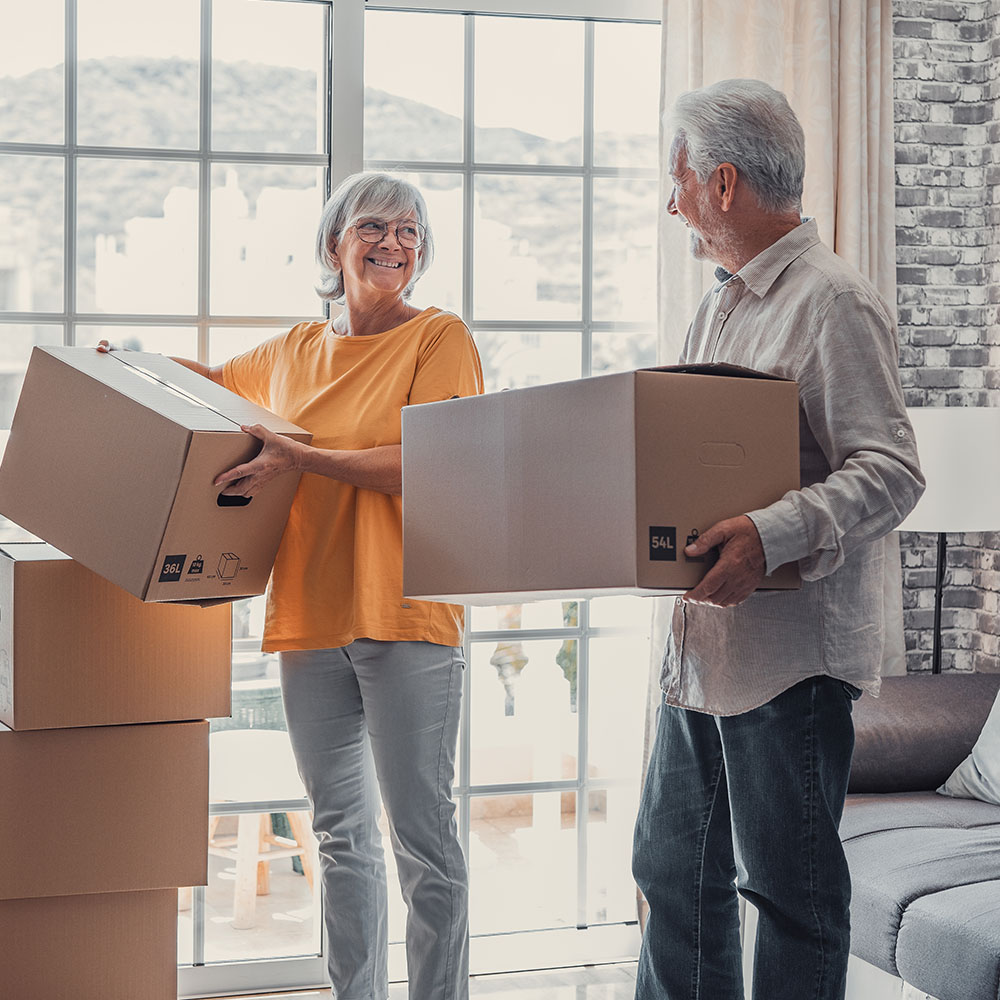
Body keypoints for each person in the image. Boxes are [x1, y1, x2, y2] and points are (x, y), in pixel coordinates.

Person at [101, 171, 483, 1000]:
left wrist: (303, 457)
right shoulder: (293, 352)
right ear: (334, 243)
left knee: (423, 837)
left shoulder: (438, 338)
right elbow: (208, 388)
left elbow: (431, 465)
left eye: (411, 232)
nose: (395, 244)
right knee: (342, 835)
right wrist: (125, 364)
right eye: (375, 227)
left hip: (407, 615)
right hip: (310, 619)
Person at [631, 80, 925, 1000]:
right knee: (673, 879)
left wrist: (768, 534)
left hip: (788, 667)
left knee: (790, 899)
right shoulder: (722, 302)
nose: (666, 197)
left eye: (674, 176)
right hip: (701, 657)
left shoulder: (834, 302)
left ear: (721, 183)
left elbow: (891, 470)